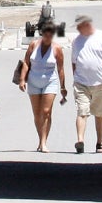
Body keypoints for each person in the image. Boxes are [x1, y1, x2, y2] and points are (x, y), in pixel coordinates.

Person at [69, 14, 102, 154]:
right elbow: (74, 61)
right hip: (81, 83)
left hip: (101, 83)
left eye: (79, 26)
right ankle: (80, 141)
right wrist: (75, 77)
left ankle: (99, 143)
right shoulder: (77, 41)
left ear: (87, 25)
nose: (78, 29)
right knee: (82, 111)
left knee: (100, 114)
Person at [18, 23, 68, 152]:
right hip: (33, 81)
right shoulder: (34, 45)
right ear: (42, 34)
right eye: (46, 34)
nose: (48, 37)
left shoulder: (57, 49)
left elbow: (61, 69)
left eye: (51, 35)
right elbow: (26, 63)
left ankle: (44, 142)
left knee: (46, 111)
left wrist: (63, 87)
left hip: (50, 82)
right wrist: (22, 79)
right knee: (37, 113)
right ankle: (40, 139)